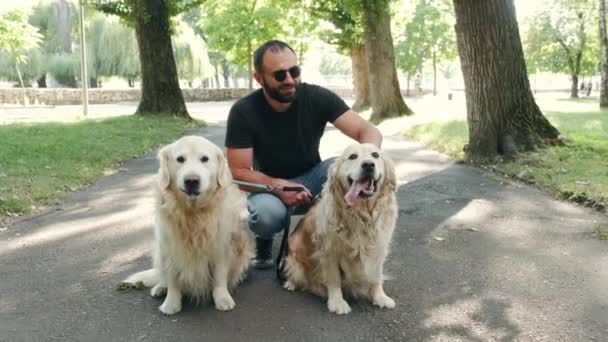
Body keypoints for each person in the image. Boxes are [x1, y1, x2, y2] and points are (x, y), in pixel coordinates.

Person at [224, 40, 383, 269]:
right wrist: (280, 186)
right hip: (270, 186)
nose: (289, 80)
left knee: (342, 169)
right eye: (279, 75)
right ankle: (265, 240)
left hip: (313, 177)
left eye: (294, 71)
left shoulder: (317, 97)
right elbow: (237, 173)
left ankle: (339, 242)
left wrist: (368, 162)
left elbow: (368, 131)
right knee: (266, 215)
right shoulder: (243, 111)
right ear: (259, 78)